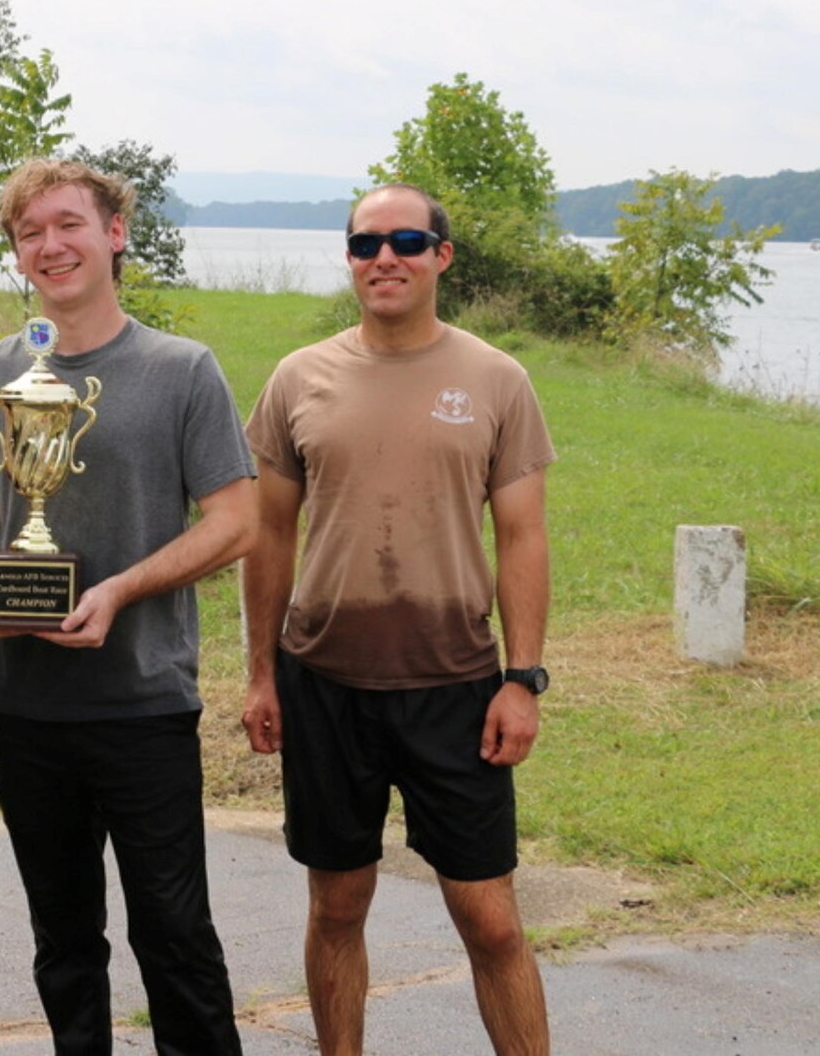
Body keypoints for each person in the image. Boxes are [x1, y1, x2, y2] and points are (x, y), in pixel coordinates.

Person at [0, 158, 258, 1055]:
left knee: (175, 934)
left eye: (69, 223)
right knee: (63, 943)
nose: (51, 244)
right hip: (20, 701)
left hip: (142, 700)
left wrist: (120, 588)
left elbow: (236, 521)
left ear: (115, 233)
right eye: (30, 232)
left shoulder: (181, 370)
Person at [240, 182, 556, 1056]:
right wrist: (261, 673)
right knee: (337, 906)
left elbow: (523, 535)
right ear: (348, 257)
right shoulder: (299, 377)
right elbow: (267, 533)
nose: (385, 257)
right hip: (325, 683)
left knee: (490, 920)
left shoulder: (497, 378)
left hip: (455, 685)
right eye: (365, 243)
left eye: (408, 241)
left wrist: (522, 679)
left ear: (441, 257)